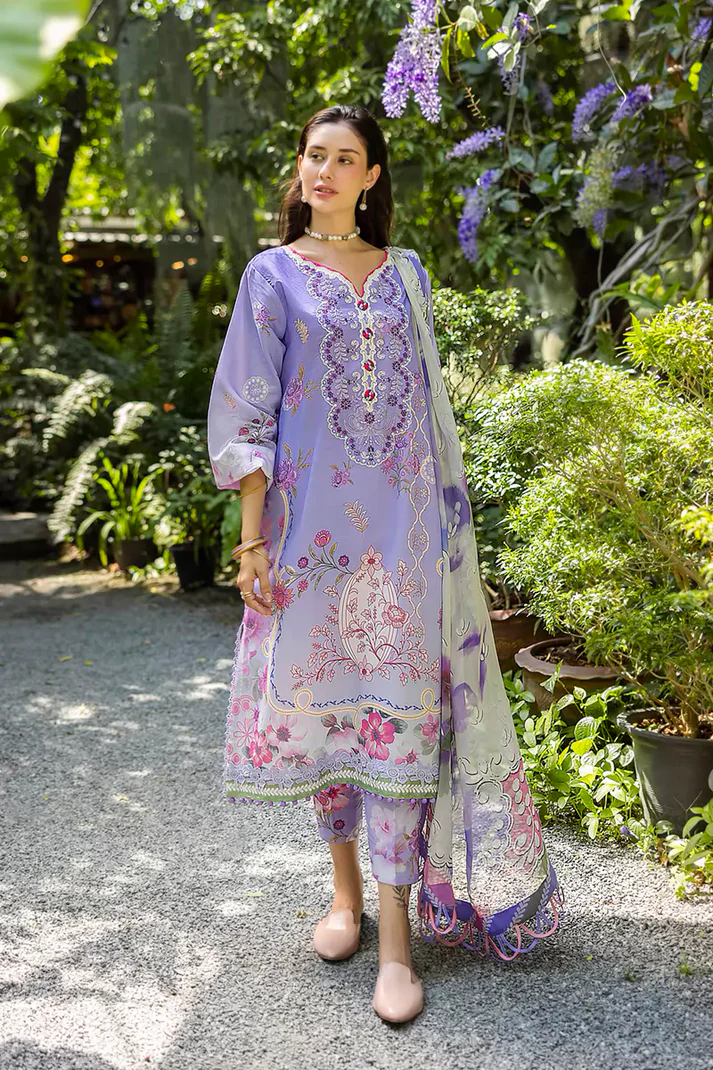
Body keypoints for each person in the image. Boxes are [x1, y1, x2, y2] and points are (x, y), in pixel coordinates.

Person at [207, 104, 563, 1025]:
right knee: (330, 717)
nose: (322, 171)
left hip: (403, 541)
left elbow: (427, 416)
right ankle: (344, 896)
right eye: (312, 155)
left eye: (344, 158)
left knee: (399, 724)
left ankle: (397, 941)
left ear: (371, 176)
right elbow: (246, 408)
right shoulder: (271, 275)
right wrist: (251, 538)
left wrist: (446, 539)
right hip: (306, 539)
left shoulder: (405, 273)